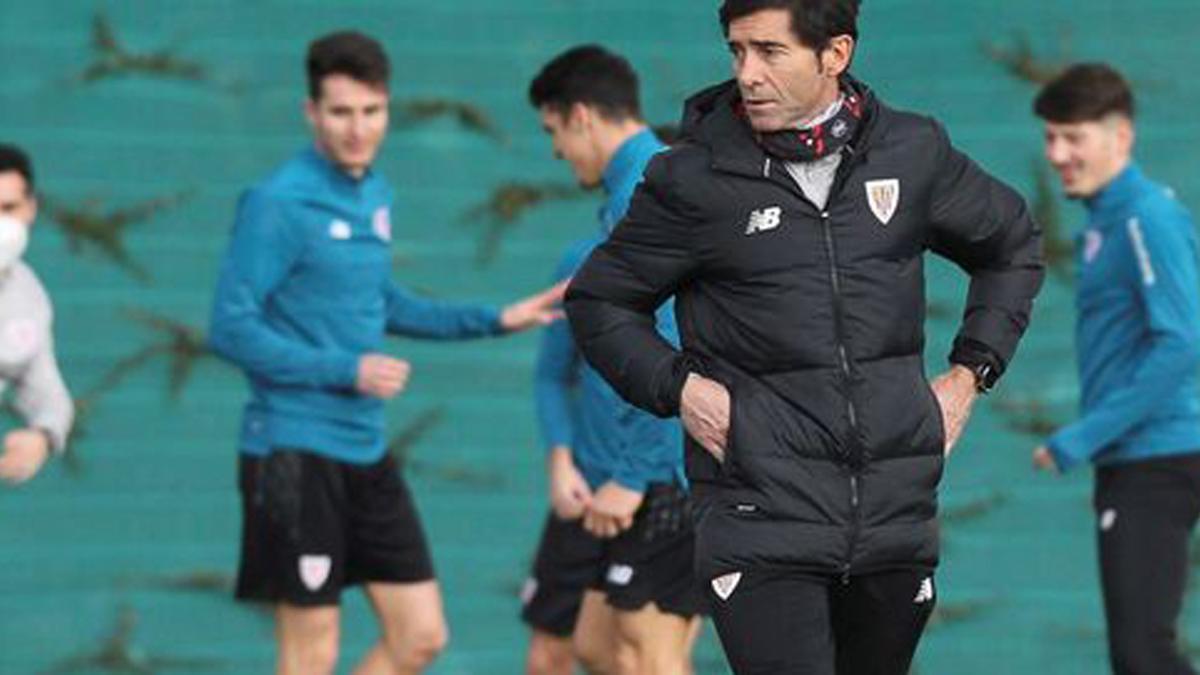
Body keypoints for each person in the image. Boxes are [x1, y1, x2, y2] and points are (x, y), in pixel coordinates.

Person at [563, 1, 1045, 673]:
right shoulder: (693, 178)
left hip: (892, 518)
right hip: (757, 515)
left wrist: (970, 375)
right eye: (737, 52)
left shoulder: (912, 152)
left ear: (835, 53)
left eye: (769, 51)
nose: (748, 74)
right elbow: (600, 300)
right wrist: (682, 389)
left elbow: (1011, 246)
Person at [207, 31, 563, 675]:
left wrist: (495, 319)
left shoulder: (374, 194)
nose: (357, 129)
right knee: (310, 654)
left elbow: (379, 301)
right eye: (340, 112)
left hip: (364, 452)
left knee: (419, 636)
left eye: (371, 112)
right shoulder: (278, 203)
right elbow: (230, 327)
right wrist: (347, 368)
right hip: (292, 451)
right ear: (311, 112)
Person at [520, 45, 704, 675]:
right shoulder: (629, 193)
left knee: (650, 654)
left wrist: (636, 471)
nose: (555, 151)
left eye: (552, 132)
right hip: (640, 465)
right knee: (596, 646)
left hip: (672, 469)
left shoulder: (651, 189)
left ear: (579, 117)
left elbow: (676, 344)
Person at [1031, 63, 1200, 675]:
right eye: (1051, 137)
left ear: (1121, 137)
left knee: (1143, 653)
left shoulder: (1143, 217)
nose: (1058, 153)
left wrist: (1082, 435)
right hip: (1139, 459)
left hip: (1157, 458)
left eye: (1074, 137)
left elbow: (1181, 344)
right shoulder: (1106, 222)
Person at [0, 144, 74, 486]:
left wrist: (43, 438)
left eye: (8, 208)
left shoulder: (27, 296)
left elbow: (46, 391)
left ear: (31, 208)